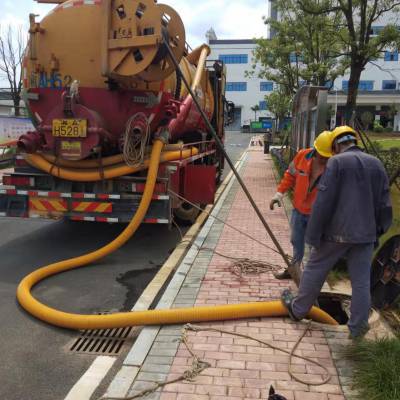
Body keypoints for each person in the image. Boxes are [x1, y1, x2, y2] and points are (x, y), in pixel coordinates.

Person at [281, 126, 393, 339]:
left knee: (315, 268)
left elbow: (323, 202)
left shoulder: (336, 163)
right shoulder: (376, 164)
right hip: (366, 234)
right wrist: (378, 231)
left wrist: (313, 236)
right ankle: (358, 328)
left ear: (335, 146)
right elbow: (385, 204)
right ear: (355, 140)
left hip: (336, 233)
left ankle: (298, 310)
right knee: (360, 281)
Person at [270, 130, 333, 281]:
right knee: (296, 242)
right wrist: (279, 194)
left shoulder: (334, 165)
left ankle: (313, 277)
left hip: (318, 214)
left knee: (315, 247)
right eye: (322, 155)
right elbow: (290, 175)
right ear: (315, 149)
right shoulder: (302, 156)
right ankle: (294, 270)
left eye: (327, 156)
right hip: (299, 210)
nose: (324, 159)